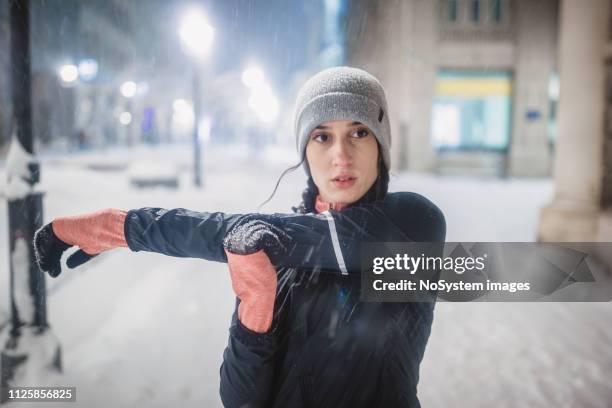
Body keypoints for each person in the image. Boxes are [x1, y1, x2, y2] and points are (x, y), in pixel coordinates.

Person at [33, 67, 446, 407]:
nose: (341, 154)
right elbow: (241, 400)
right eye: (322, 136)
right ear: (305, 151)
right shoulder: (277, 258)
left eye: (359, 132)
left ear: (381, 145)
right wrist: (255, 309)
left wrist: (118, 226)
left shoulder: (414, 226)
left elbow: (264, 235)